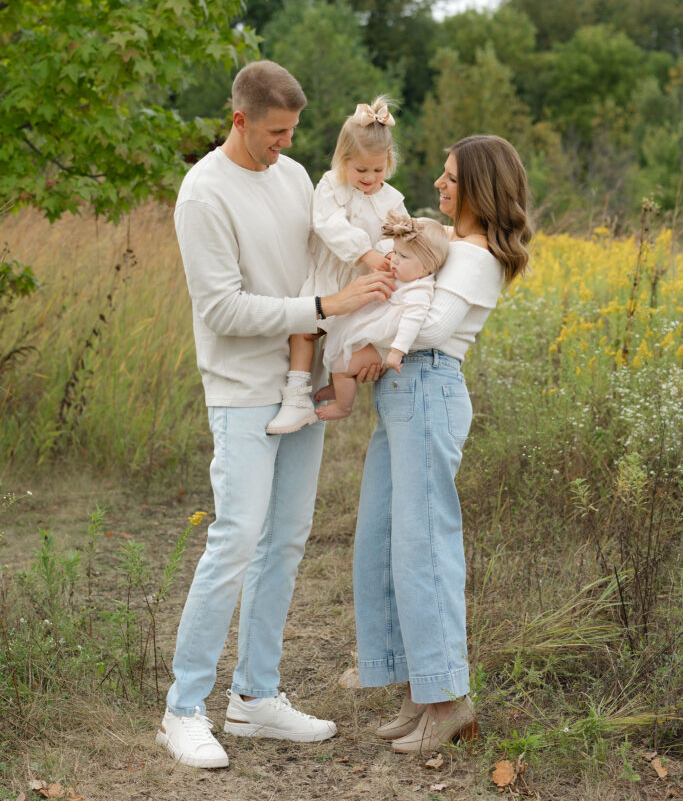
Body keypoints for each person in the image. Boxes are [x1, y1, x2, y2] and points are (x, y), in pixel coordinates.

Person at [156, 60, 394, 769]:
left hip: (304, 381)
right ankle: (181, 710)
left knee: (285, 541)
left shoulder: (293, 178)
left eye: (292, 131)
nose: (285, 145)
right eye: (272, 133)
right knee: (234, 539)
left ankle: (255, 698)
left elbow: (323, 260)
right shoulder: (203, 195)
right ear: (238, 120)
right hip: (240, 389)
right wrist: (326, 309)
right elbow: (222, 310)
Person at [353, 134, 533, 754]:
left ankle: (449, 699)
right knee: (382, 539)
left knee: (423, 545)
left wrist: (369, 348)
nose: (439, 184)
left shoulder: (476, 256)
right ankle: (417, 688)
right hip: (405, 395)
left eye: (451, 177)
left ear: (480, 187)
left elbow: (429, 327)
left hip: (427, 388)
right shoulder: (452, 245)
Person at [265, 95, 408, 435]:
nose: (370, 178)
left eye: (378, 169)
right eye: (361, 170)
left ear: (388, 161)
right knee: (305, 328)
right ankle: (297, 393)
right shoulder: (331, 185)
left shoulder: (392, 199)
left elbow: (399, 234)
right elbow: (328, 223)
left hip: (364, 284)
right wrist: (366, 253)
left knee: (346, 343)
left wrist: (387, 253)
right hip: (332, 277)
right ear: (343, 161)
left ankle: (338, 389)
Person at [316, 212, 450, 421]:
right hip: (371, 333)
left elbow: (411, 323)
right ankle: (337, 386)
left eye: (403, 256)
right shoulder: (405, 274)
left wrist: (396, 352)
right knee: (339, 350)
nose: (395, 259)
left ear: (426, 267)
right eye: (395, 252)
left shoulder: (420, 291)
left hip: (383, 346)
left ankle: (343, 406)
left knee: (342, 365)